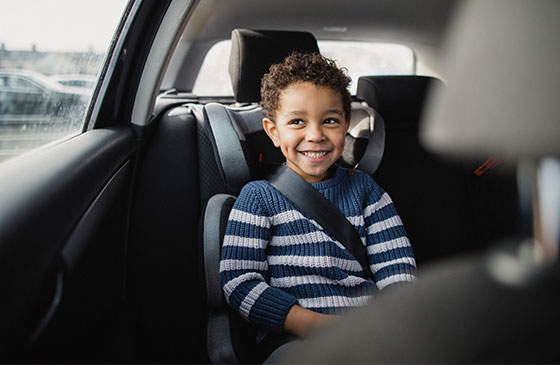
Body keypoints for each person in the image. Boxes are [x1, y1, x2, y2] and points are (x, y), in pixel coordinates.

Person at [219, 52, 416, 362]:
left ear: (346, 125)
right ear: (273, 131)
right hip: (293, 338)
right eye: (297, 121)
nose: (315, 135)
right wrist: (316, 324)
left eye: (330, 121)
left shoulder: (368, 193)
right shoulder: (257, 198)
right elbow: (239, 282)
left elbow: (397, 272)